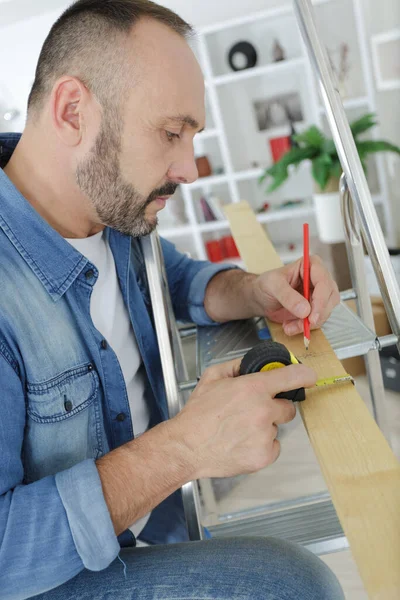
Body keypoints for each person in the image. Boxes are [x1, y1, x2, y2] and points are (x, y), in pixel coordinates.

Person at [0, 1, 343, 599]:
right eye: (170, 133)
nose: (188, 168)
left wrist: (252, 291)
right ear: (73, 111)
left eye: (192, 137)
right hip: (42, 578)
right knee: (294, 586)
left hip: (147, 525)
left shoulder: (110, 207)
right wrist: (184, 448)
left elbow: (173, 277)